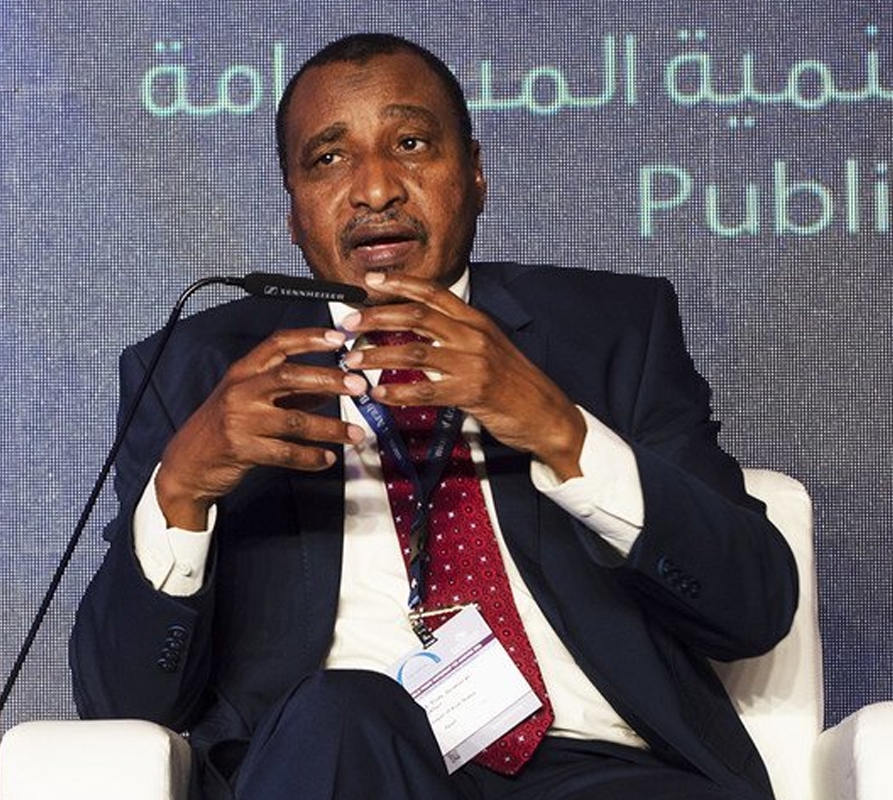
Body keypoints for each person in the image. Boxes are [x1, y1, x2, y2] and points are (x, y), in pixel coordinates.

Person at [70, 32, 798, 800]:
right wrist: (182, 489)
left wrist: (561, 430)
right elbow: (126, 706)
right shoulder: (198, 373)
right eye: (328, 159)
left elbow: (753, 610)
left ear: (475, 173)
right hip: (345, 768)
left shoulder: (613, 329)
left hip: (599, 772)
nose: (375, 188)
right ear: (293, 213)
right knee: (343, 710)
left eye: (410, 144)